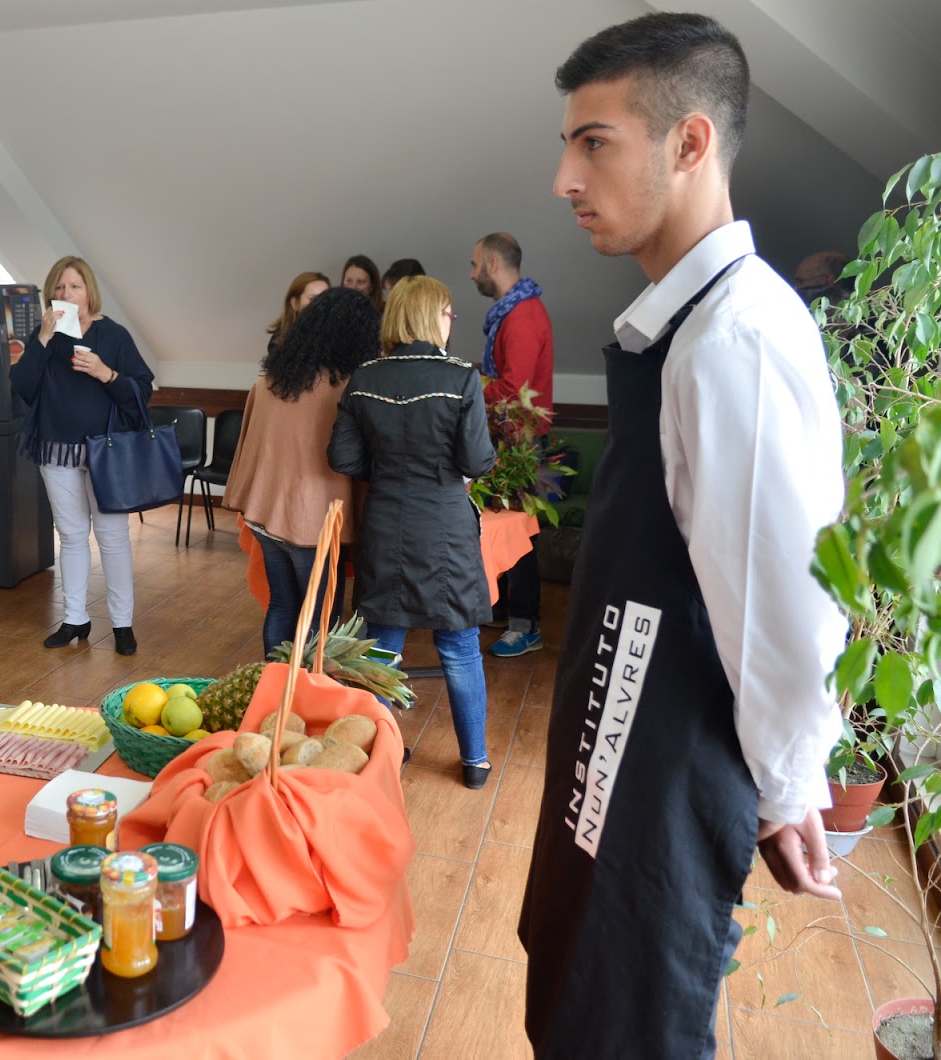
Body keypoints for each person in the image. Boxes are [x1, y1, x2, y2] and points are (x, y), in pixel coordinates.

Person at [519, 15, 847, 1057]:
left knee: (629, 1021)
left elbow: (782, 602)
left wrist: (788, 789)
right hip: (616, 736)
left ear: (690, 142)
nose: (565, 180)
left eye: (595, 143)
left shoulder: (734, 339)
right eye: (568, 145)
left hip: (665, 762)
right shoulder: (686, 322)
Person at [328, 277, 495, 789]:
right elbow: (477, 461)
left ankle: (380, 755)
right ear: (432, 316)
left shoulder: (364, 378)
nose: (451, 321)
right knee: (460, 646)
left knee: (381, 650)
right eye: (449, 313)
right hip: (445, 527)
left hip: (386, 522)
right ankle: (474, 762)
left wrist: (389, 469)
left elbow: (342, 457)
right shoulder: (461, 378)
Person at [10, 256, 154, 655]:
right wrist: (41, 338)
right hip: (55, 449)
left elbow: (142, 390)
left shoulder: (115, 335)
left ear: (89, 290)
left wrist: (105, 373)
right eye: (58, 287)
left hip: (106, 452)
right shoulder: (46, 335)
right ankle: (75, 619)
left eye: (74, 286)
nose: (66, 294)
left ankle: (122, 623)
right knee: (71, 536)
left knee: (112, 538)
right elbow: (23, 385)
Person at [224, 287, 375, 656]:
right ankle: (307, 689)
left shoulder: (269, 382)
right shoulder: (348, 389)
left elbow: (249, 451)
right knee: (321, 617)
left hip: (264, 515)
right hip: (314, 522)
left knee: (282, 604)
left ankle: (276, 685)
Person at [470, 231, 554, 658]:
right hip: (512, 439)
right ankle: (507, 611)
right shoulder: (518, 309)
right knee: (509, 528)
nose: (472, 274)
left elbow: (511, 389)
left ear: (494, 264)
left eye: (475, 265)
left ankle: (526, 626)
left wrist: (470, 386)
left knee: (519, 533)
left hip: (521, 443)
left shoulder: (521, 316)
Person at [265, 271, 330, 354]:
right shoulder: (280, 343)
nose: (320, 304)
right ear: (295, 303)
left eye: (325, 298)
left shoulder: (337, 336)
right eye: (313, 299)